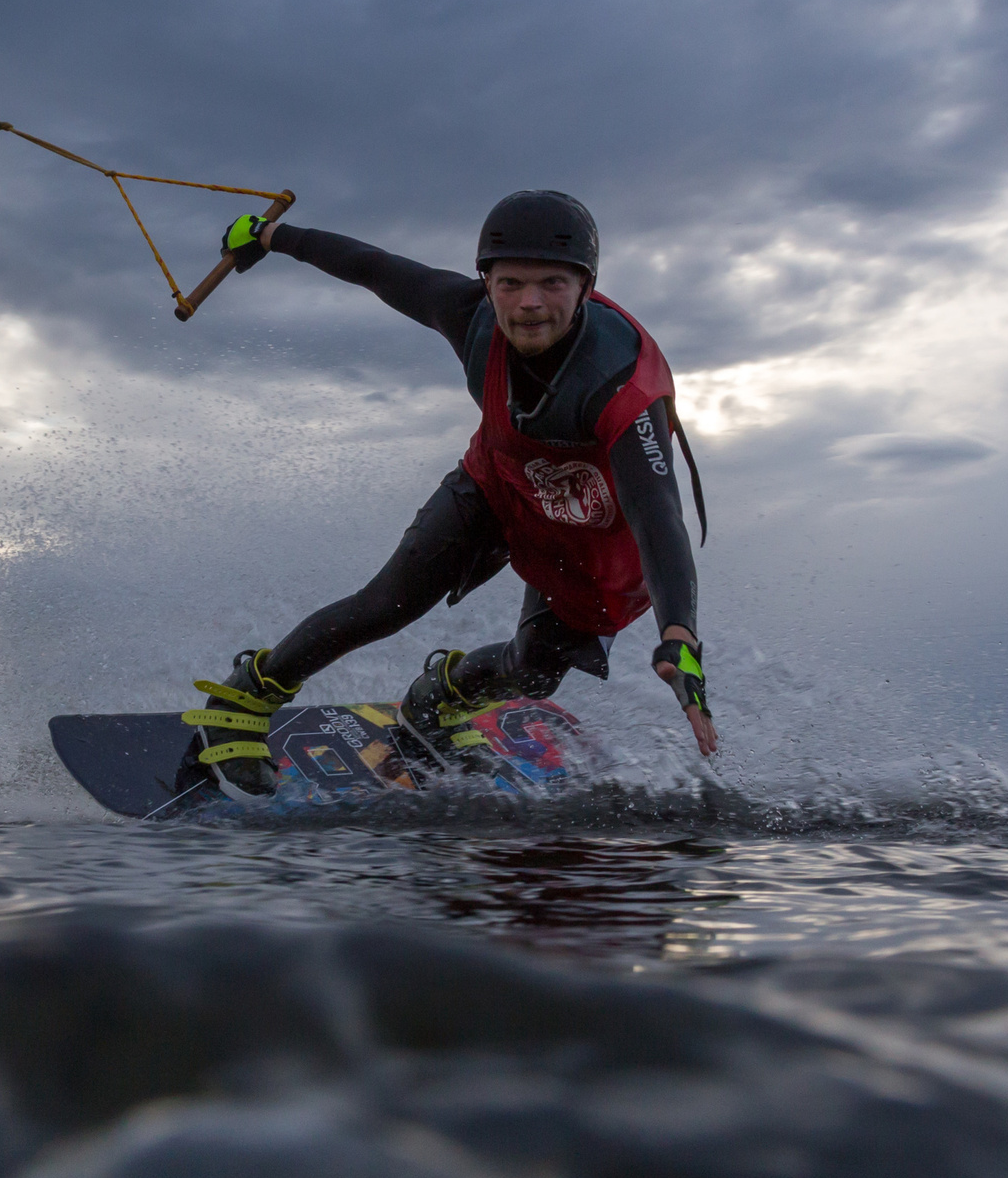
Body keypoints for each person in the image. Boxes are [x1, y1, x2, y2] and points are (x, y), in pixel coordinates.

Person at [185, 191, 717, 786]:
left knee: (535, 674)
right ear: (486, 283)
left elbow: (659, 519)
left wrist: (680, 640)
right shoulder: (469, 315)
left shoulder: (624, 387)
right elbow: (374, 266)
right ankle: (245, 700)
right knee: (385, 604)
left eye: (552, 283)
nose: (529, 303)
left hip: (592, 534)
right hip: (496, 485)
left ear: (586, 286)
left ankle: (436, 702)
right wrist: (268, 237)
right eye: (511, 283)